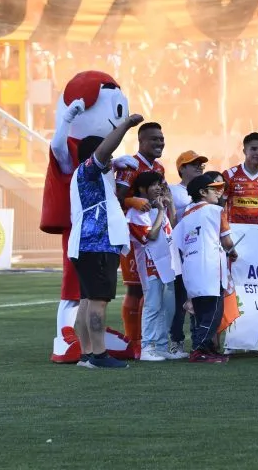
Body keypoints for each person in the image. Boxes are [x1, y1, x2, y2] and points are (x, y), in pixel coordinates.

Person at [71, 113, 145, 370]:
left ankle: (87, 354)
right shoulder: (89, 171)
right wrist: (125, 125)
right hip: (97, 243)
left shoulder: (89, 176)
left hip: (87, 244)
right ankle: (99, 355)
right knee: (98, 301)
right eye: (109, 156)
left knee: (87, 300)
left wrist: (117, 170)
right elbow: (104, 150)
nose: (112, 158)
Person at [114, 121, 166, 348]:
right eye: (154, 139)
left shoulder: (160, 169)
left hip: (154, 231)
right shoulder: (129, 165)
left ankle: (150, 340)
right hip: (133, 235)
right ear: (141, 141)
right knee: (135, 287)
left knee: (155, 287)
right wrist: (131, 201)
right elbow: (115, 198)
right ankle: (133, 341)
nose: (159, 143)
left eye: (161, 139)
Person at [176, 174, 237, 363]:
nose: (219, 192)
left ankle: (205, 348)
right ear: (202, 192)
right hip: (210, 267)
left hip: (190, 268)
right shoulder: (216, 210)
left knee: (201, 311)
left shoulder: (185, 215)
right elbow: (227, 241)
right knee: (214, 311)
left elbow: (178, 243)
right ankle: (200, 349)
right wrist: (232, 251)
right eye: (215, 188)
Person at [126, 171, 184, 361]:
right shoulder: (136, 213)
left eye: (160, 184)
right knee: (152, 306)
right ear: (142, 189)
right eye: (154, 184)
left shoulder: (158, 208)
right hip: (149, 267)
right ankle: (147, 347)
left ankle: (160, 346)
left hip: (166, 265)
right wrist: (160, 211)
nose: (159, 187)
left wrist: (169, 204)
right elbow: (150, 236)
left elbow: (173, 226)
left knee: (165, 308)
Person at [167, 150, 208, 356]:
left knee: (202, 297)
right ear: (181, 168)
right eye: (194, 164)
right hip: (180, 252)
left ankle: (200, 341)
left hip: (201, 251)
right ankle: (176, 340)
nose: (199, 166)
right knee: (180, 299)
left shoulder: (206, 191)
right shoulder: (172, 190)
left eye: (201, 164)